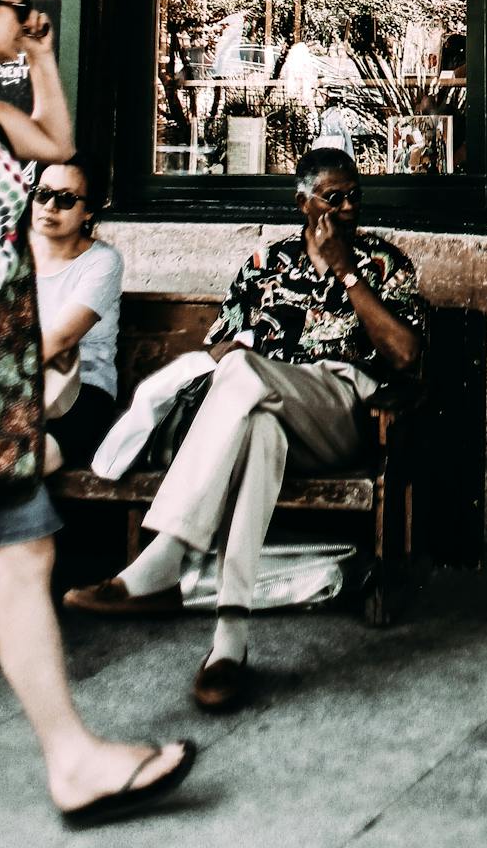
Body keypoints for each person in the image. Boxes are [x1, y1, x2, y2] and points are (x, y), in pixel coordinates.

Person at [66, 146, 422, 714]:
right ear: (303, 202)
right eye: (335, 196)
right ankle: (228, 645)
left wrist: (344, 271)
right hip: (265, 406)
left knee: (242, 376)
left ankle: (167, 555)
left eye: (356, 194)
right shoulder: (265, 262)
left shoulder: (384, 264)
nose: (350, 205)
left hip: (339, 412)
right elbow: (217, 344)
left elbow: (404, 355)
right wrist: (241, 351)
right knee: (256, 426)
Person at [0, 0, 196, 826]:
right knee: (20, 553)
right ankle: (72, 760)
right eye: (16, 7)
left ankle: (71, 760)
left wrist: (39, 55)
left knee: (24, 552)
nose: (28, 17)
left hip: (0, 377)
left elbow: (58, 144)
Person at [31, 156, 124, 471]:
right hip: (13, 386)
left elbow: (61, 338)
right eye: (42, 193)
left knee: (25, 461)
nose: (50, 206)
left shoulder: (102, 262)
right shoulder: (11, 255)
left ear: (88, 211)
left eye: (66, 199)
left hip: (77, 392)